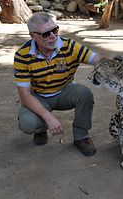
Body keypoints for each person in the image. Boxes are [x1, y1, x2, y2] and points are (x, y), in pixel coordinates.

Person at [13, 12, 105, 156]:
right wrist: (48, 117)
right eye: (46, 34)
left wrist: (118, 65)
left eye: (55, 30)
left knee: (84, 93)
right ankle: (40, 128)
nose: (53, 36)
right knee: (28, 123)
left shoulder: (70, 46)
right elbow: (24, 95)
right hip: (39, 97)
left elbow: (98, 60)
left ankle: (81, 136)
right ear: (33, 36)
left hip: (64, 91)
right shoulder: (22, 56)